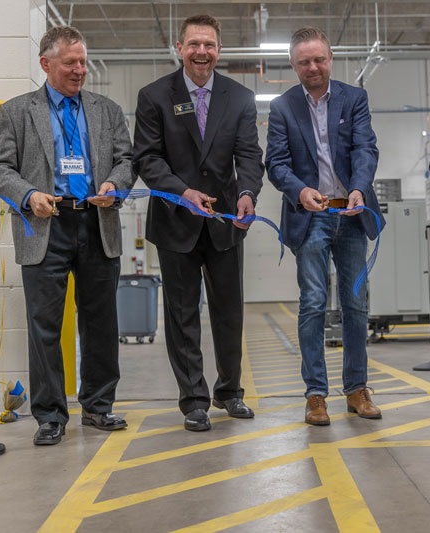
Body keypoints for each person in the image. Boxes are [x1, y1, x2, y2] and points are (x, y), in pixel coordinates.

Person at [0, 26, 133, 445]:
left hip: (96, 221)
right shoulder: (17, 111)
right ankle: (50, 415)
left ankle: (99, 406)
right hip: (45, 223)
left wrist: (113, 185)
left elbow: (126, 160)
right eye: (70, 62)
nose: (80, 70)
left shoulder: (107, 110)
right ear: (45, 64)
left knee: (101, 322)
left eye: (83, 61)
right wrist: (28, 194)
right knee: (45, 325)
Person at [132, 14, 264, 432]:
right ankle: (193, 399)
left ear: (219, 50)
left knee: (229, 312)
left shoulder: (239, 97)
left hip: (225, 222)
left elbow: (248, 155)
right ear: (179, 48)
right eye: (193, 44)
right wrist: (181, 192)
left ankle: (230, 391)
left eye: (208, 45)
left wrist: (247, 193)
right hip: (175, 222)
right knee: (182, 314)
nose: (201, 52)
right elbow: (147, 158)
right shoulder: (154, 96)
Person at [266, 27, 385, 426]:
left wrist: (358, 189)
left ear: (330, 58)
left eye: (319, 59)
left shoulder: (354, 99)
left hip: (350, 213)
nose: (313, 67)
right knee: (314, 303)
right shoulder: (283, 107)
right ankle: (316, 394)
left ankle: (356, 389)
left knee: (356, 304)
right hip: (310, 215)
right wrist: (299, 191)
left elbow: (365, 149)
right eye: (304, 62)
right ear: (293, 65)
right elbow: (276, 164)